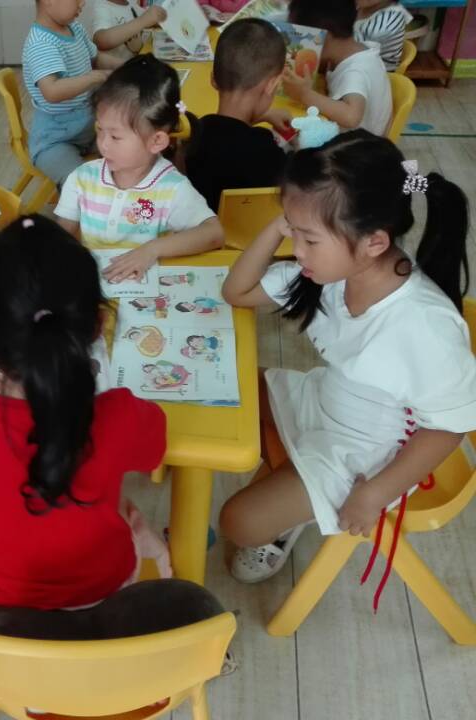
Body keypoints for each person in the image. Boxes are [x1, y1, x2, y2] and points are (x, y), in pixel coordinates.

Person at [0, 215, 171, 718]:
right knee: (120, 511)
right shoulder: (120, 413)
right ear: (97, 326)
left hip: (4, 622)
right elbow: (155, 448)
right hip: (106, 596)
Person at [218, 130, 476, 589]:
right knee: (230, 386)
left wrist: (374, 494)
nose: (297, 249)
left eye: (309, 239)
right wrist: (280, 226)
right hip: (325, 401)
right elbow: (236, 292)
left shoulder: (424, 325)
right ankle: (291, 485)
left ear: (374, 242)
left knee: (237, 523)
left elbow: (449, 428)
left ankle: (290, 510)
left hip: (368, 456)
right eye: (293, 231)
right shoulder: (335, 268)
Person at [54, 55, 222, 282]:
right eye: (100, 129)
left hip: (149, 292)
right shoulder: (82, 179)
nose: (103, 144)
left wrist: (152, 249)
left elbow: (214, 233)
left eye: (115, 136)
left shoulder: (172, 188)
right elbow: (59, 239)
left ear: (156, 141)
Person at [185, 19, 290, 211]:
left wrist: (262, 117)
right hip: (249, 229)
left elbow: (229, 134)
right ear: (271, 85)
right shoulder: (266, 152)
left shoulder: (192, 135)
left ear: (213, 79)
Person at [22, 0, 124, 187]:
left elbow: (96, 58)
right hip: (54, 141)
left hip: (88, 128)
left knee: (130, 152)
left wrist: (126, 67)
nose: (83, 3)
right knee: (81, 185)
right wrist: (94, 77)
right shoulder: (41, 43)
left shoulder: (74, 28)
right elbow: (52, 91)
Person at [282, 0, 392, 136]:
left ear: (323, 37)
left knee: (283, 137)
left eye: (300, 36)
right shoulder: (354, 51)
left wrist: (305, 94)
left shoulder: (356, 71)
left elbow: (351, 117)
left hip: (355, 145)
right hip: (348, 136)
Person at [88, 0, 166, 61]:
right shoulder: (102, 7)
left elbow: (150, 19)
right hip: (118, 72)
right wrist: (142, 21)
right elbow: (101, 41)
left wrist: (158, 17)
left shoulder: (131, 5)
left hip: (136, 63)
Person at [355, 1, 414, 72]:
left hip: (378, 71)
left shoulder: (389, 19)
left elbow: (356, 51)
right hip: (361, 63)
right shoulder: (364, 7)